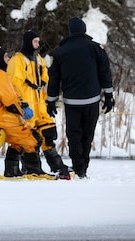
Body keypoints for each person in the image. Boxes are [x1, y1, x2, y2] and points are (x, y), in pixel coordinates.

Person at [47, 17, 114, 179]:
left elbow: (54, 79)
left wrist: (51, 100)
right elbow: (105, 72)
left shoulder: (60, 52)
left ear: (70, 31)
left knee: (74, 135)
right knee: (87, 135)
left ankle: (79, 167)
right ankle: (83, 167)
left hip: (72, 102)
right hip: (92, 100)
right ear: (84, 30)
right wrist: (109, 95)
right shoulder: (96, 48)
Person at [0, 47, 44, 176]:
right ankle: (33, 171)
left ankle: (12, 170)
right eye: (5, 57)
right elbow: (10, 102)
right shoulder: (0, 76)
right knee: (32, 138)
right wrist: (23, 111)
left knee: (17, 141)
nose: (8, 59)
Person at [7, 30, 70, 178]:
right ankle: (28, 167)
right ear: (28, 42)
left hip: (40, 104)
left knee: (48, 133)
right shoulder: (18, 61)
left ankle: (57, 166)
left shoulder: (39, 59)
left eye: (38, 41)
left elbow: (45, 81)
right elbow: (13, 84)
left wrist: (50, 101)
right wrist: (21, 104)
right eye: (35, 41)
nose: (38, 44)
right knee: (27, 138)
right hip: (26, 105)